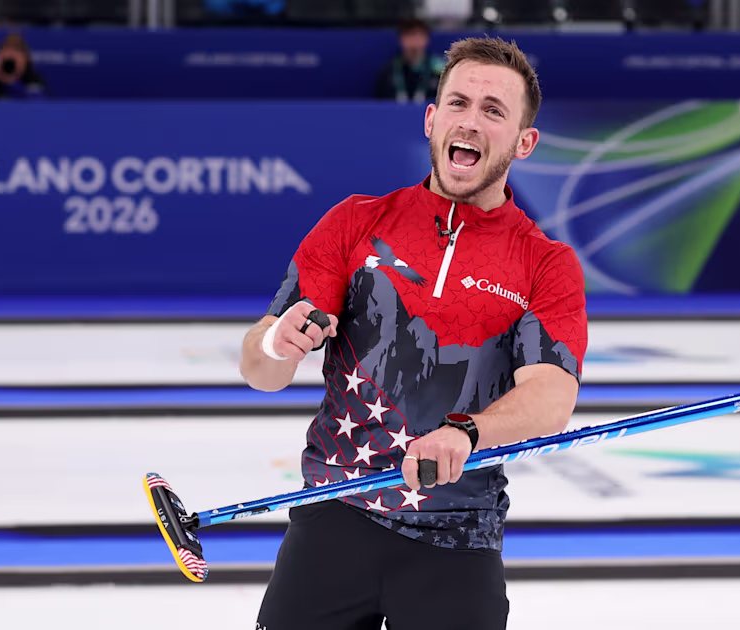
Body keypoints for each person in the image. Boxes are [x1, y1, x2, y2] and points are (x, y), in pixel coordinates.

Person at [243, 36, 587, 630]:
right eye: (458, 103)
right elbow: (260, 371)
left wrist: (468, 432)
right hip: (334, 516)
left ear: (524, 142)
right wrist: (279, 342)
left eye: (493, 110)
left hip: (458, 537)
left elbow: (552, 396)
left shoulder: (544, 263)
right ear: (432, 119)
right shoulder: (357, 222)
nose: (471, 121)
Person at [375, 18, 446, 104]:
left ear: (426, 39)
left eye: (418, 35)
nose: (414, 42)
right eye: (409, 35)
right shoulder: (388, 72)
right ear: (401, 39)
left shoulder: (440, 71)